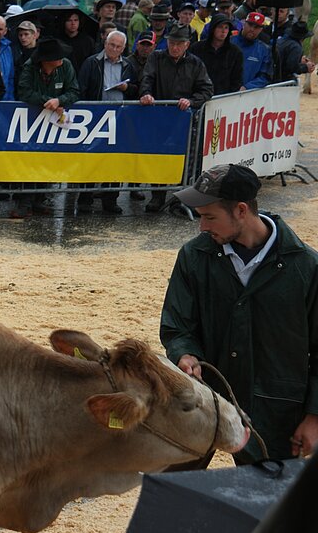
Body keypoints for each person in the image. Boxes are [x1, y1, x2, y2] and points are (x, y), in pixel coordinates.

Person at [161, 163, 318, 465]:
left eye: (209, 217)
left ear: (242, 210)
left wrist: (314, 416)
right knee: (173, 497)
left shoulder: (307, 268)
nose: (202, 227)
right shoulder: (194, 256)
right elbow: (177, 326)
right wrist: (185, 354)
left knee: (267, 506)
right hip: (200, 401)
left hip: (274, 411)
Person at [139, 24, 213, 212]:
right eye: (172, 43)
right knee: (159, 158)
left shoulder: (196, 63)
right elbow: (146, 79)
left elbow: (206, 89)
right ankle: (157, 196)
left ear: (187, 45)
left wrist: (191, 101)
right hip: (159, 117)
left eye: (179, 44)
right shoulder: (156, 58)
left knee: (187, 159)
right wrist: (146, 94)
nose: (175, 47)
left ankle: (182, 197)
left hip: (184, 120)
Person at [13, 38, 79, 219]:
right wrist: (46, 101)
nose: (62, 58)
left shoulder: (66, 66)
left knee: (48, 159)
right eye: (58, 56)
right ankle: (24, 202)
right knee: (29, 160)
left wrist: (60, 100)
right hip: (31, 118)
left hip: (54, 120)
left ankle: (40, 199)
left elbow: (74, 91)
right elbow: (24, 92)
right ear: (47, 60)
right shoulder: (29, 67)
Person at [78, 31, 139, 214]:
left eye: (118, 46)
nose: (114, 49)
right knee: (90, 159)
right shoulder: (92, 62)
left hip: (118, 118)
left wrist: (127, 88)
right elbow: (82, 87)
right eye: (111, 44)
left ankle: (110, 198)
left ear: (123, 48)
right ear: (105, 43)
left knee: (115, 159)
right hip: (94, 117)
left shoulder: (128, 65)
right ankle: (85, 198)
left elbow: (137, 89)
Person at [189, 14, 243, 95]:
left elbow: (237, 79)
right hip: (198, 95)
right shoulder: (196, 48)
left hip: (223, 98)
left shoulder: (235, 52)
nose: (223, 31)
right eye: (220, 27)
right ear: (213, 28)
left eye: (226, 28)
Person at [231, 12, 273, 90]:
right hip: (224, 93)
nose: (252, 29)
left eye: (256, 27)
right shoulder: (229, 42)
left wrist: (247, 87)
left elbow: (265, 76)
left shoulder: (264, 50)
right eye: (250, 25)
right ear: (244, 24)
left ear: (261, 29)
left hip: (248, 95)